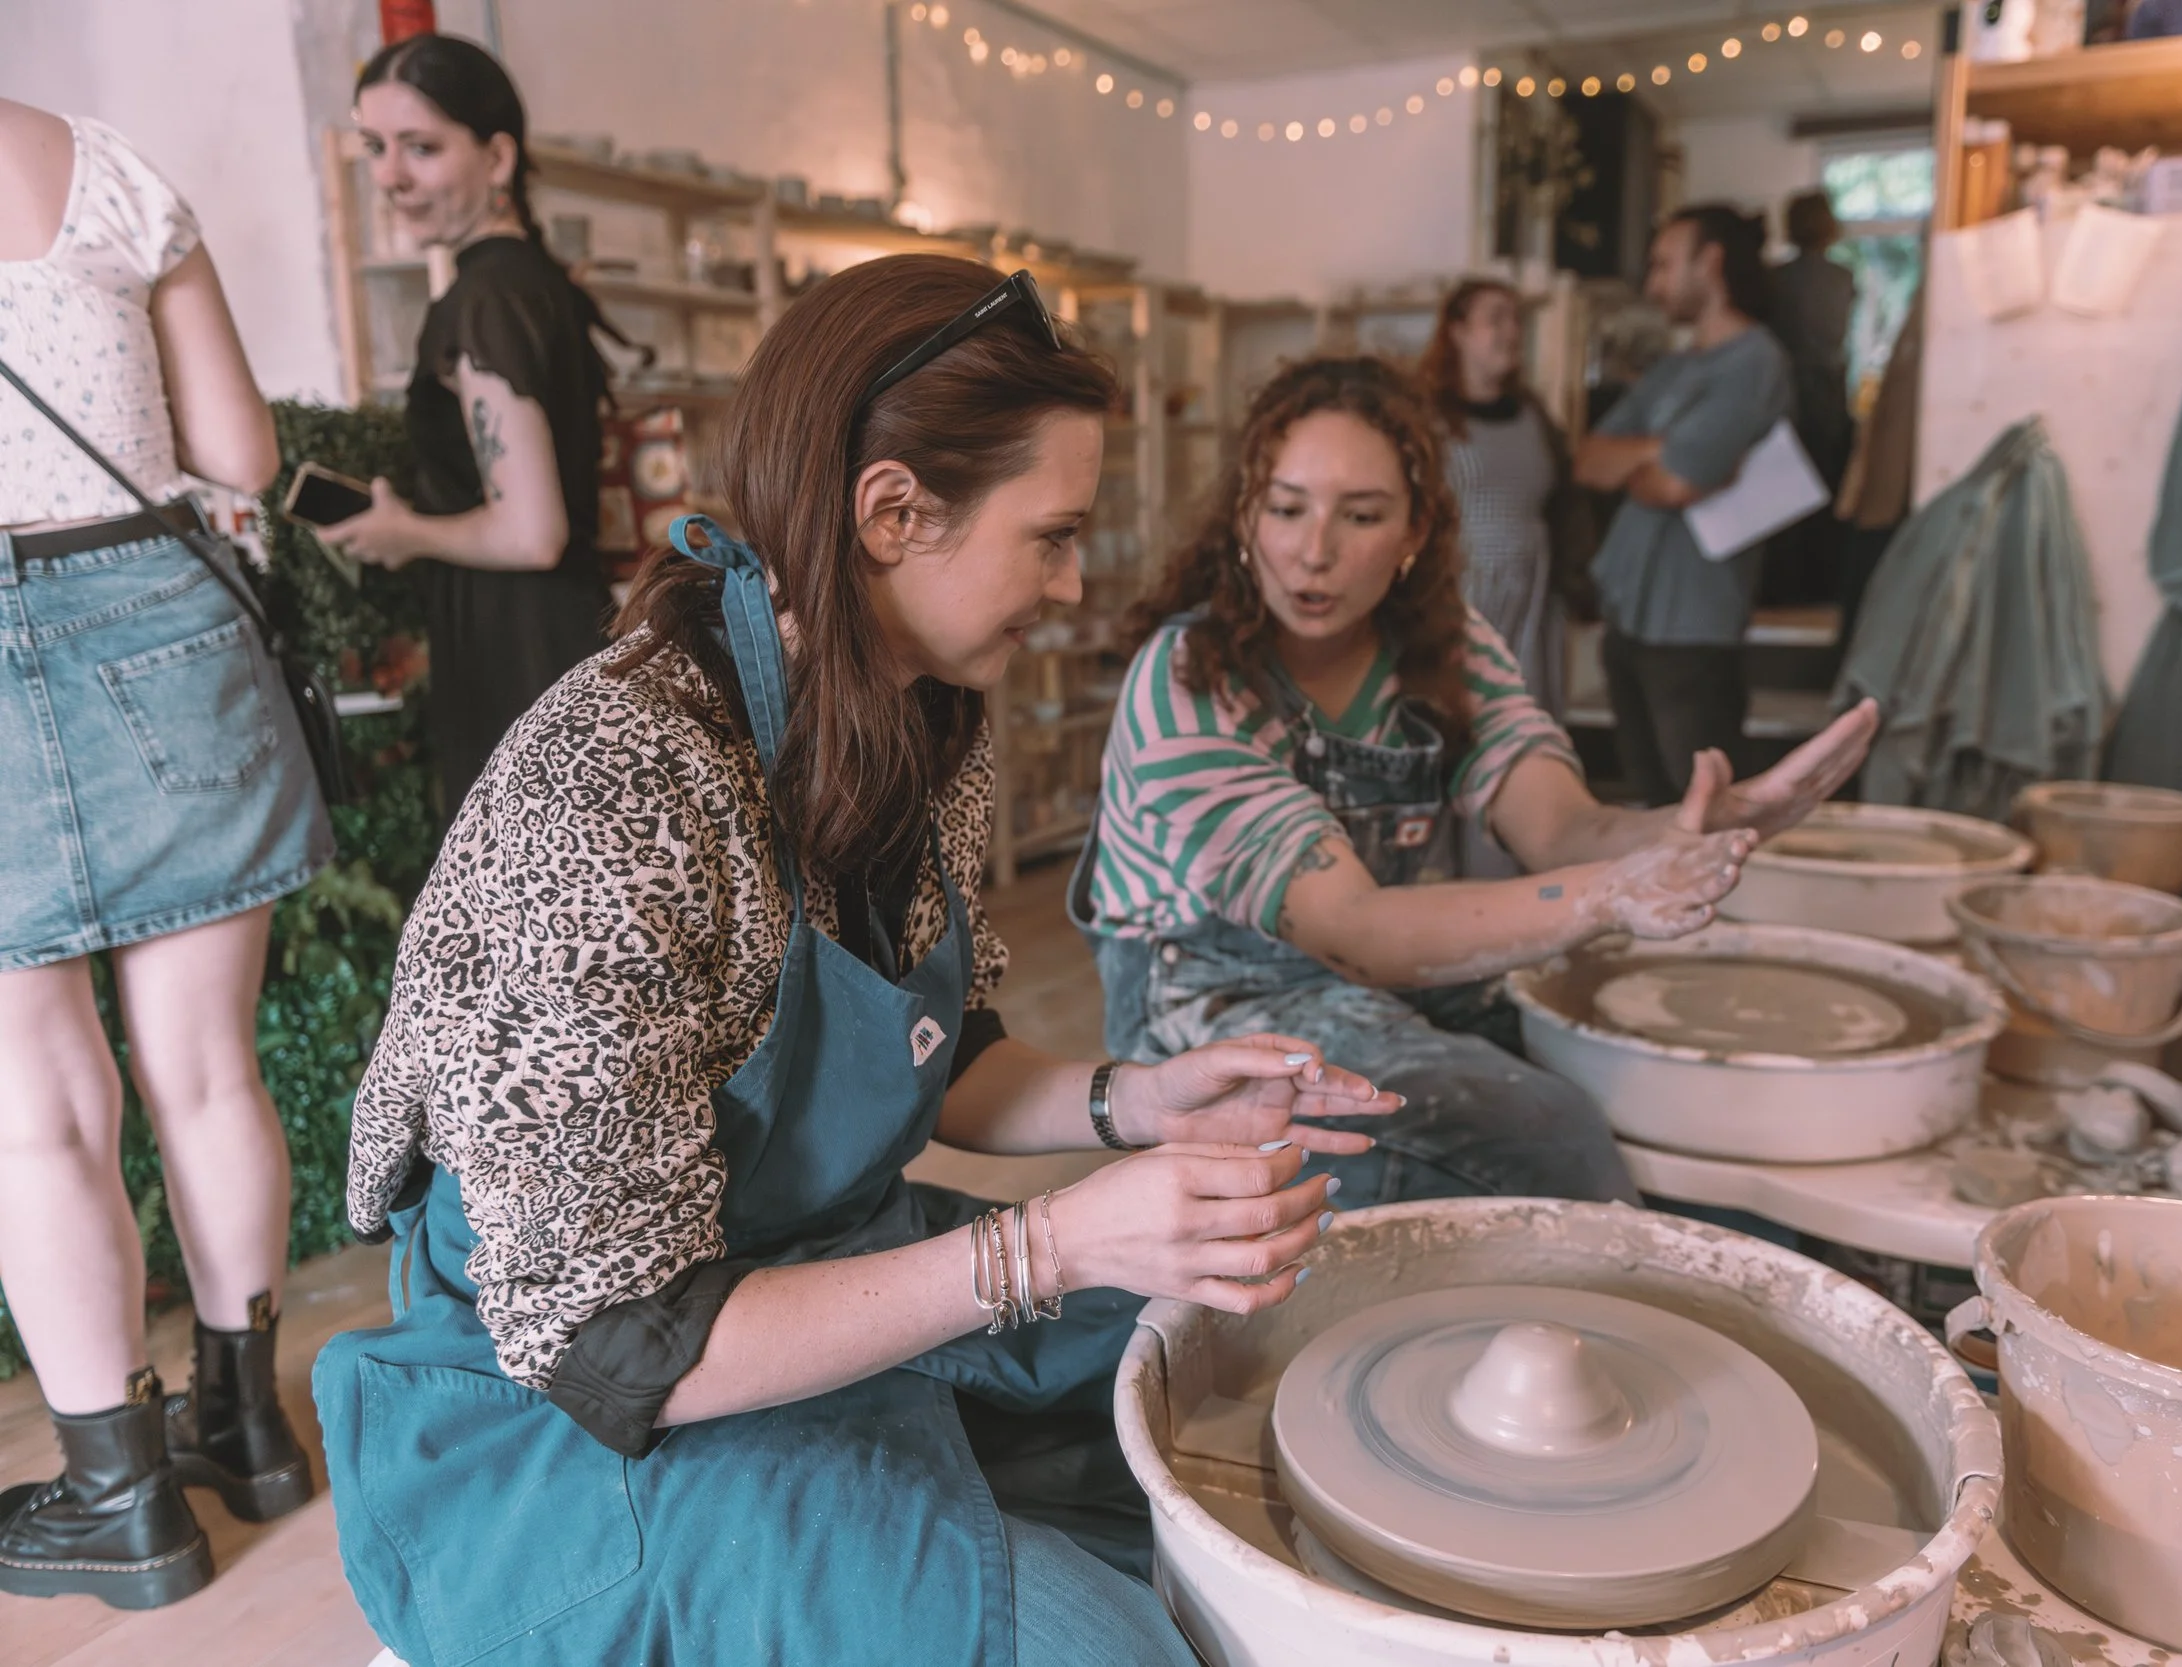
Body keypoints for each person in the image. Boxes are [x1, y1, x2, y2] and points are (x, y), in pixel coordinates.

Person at [315, 254, 1396, 1665]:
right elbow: (625, 1341)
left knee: (1233, 1344)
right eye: (1052, 536)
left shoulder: (917, 709)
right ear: (894, 512)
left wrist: (1140, 1099)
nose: (1073, 586)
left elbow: (931, 1051)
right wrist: (1055, 1238)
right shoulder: (611, 794)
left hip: (799, 1247)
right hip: (569, 1411)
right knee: (1106, 1644)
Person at [1071, 354, 1877, 1215]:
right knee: (1546, 1129)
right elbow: (1357, 930)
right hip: (1213, 1004)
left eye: (1362, 515)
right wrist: (1608, 895)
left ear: (1414, 532)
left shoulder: (1446, 647)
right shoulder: (1190, 678)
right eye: (1287, 508)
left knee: (1627, 1052)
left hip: (1371, 974)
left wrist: (1688, 830)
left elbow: (1561, 830)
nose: (1314, 551)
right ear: (1245, 516)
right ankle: (1614, 1313)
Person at [0, 100, 333, 1608]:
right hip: (158, 617)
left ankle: (123, 1500)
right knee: (208, 1067)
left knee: (34, 1110)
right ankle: (247, 1423)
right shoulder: (109, 168)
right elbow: (239, 454)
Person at [324, 35, 621, 814]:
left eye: (420, 148)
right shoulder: (529, 284)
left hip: (521, 649)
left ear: (497, 159)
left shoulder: (484, 302)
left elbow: (532, 532)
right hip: (550, 640)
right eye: (377, 148)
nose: (389, 175)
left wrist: (405, 530)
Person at [1574, 205, 1794, 807]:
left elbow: (1676, 483)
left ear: (1711, 262)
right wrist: (1667, 450)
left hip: (1694, 623)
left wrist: (1658, 461)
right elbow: (1589, 459)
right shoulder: (1672, 369)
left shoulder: (1755, 361)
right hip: (1629, 615)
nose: (1652, 284)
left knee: (1703, 811)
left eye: (1664, 264)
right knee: (1653, 804)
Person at [1414, 278, 1591, 722]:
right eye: (1495, 319)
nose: (1511, 331)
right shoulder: (1428, 418)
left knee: (1528, 717)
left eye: (1516, 319)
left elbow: (1563, 504)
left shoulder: (1533, 417)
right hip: (1462, 595)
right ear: (1457, 331)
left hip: (1534, 593)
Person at [1759, 189, 1859, 610]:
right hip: (1828, 397)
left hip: (1786, 396)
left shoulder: (1775, 279)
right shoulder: (1843, 279)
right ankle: (1820, 590)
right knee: (1823, 493)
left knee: (1783, 494)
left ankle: (1782, 589)